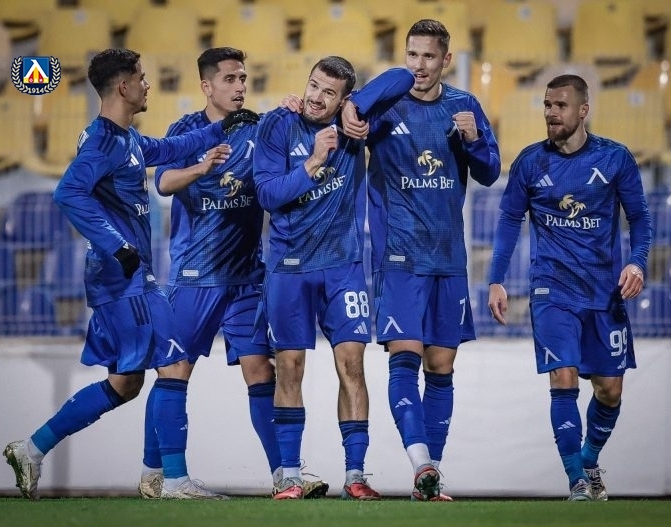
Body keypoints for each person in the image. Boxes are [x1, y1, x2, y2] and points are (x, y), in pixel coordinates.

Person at [2, 48, 257, 500]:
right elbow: (68, 193)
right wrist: (115, 245)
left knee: (125, 384)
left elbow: (170, 149)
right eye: (141, 77)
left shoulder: (125, 138)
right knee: (173, 361)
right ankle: (173, 480)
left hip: (122, 279)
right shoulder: (103, 142)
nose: (147, 84)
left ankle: (32, 448)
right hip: (124, 279)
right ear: (123, 86)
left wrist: (221, 128)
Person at [139, 47, 328, 500]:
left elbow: (290, 162)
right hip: (195, 276)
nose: (240, 86)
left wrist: (295, 112)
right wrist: (201, 167)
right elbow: (162, 182)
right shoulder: (186, 131)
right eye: (229, 79)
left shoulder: (260, 129)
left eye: (243, 78)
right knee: (174, 372)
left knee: (261, 370)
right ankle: (160, 473)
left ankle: (285, 474)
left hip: (246, 279)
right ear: (206, 86)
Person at [341, 19, 500, 501]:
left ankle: (431, 478)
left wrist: (475, 141)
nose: (419, 65)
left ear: (446, 60)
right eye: (412, 55)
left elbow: (491, 172)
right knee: (404, 357)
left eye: (429, 56)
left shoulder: (464, 106)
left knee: (442, 365)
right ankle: (420, 463)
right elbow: (347, 115)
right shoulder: (387, 105)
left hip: (448, 259)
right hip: (399, 257)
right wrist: (351, 108)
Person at [253, 56, 414, 500]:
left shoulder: (354, 124)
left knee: (352, 365)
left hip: (343, 268)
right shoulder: (276, 125)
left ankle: (356, 475)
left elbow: (403, 76)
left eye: (329, 92)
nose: (316, 97)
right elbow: (266, 194)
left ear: (342, 98)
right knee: (289, 367)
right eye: (313, 85)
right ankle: (289, 475)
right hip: (289, 269)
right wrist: (313, 162)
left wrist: (354, 107)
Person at [487, 74, 652, 501]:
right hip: (552, 291)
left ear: (583, 110)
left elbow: (639, 218)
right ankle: (576, 481)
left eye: (560, 105)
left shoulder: (614, 158)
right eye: (547, 105)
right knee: (562, 378)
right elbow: (509, 221)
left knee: (609, 390)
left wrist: (637, 262)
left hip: (604, 293)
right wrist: (496, 279)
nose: (551, 113)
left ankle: (589, 460)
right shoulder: (529, 163)